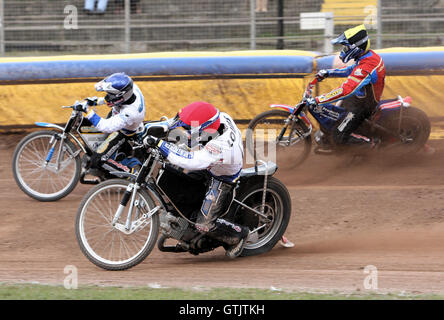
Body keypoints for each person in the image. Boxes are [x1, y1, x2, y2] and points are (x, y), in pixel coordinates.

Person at [143, 101, 250, 258]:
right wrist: (152, 128)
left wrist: (161, 144)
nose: (186, 129)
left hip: (222, 178)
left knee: (203, 225)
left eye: (190, 128)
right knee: (180, 182)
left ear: (205, 129)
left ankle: (238, 235)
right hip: (211, 163)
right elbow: (179, 121)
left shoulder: (220, 146)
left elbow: (191, 161)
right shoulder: (218, 118)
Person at [308, 24, 386, 151]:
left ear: (356, 47)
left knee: (338, 137)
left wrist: (318, 100)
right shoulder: (367, 56)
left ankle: (371, 144)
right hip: (357, 99)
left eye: (345, 47)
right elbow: (351, 70)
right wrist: (328, 72)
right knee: (332, 115)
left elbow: (346, 90)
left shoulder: (367, 66)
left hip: (363, 107)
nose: (343, 50)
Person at [76, 72, 146, 175]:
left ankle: (133, 175)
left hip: (123, 132)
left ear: (121, 96)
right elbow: (112, 99)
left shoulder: (131, 112)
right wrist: (96, 101)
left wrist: (88, 111)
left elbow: (106, 126)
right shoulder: (130, 88)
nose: (108, 96)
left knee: (98, 159)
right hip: (118, 115)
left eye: (110, 94)